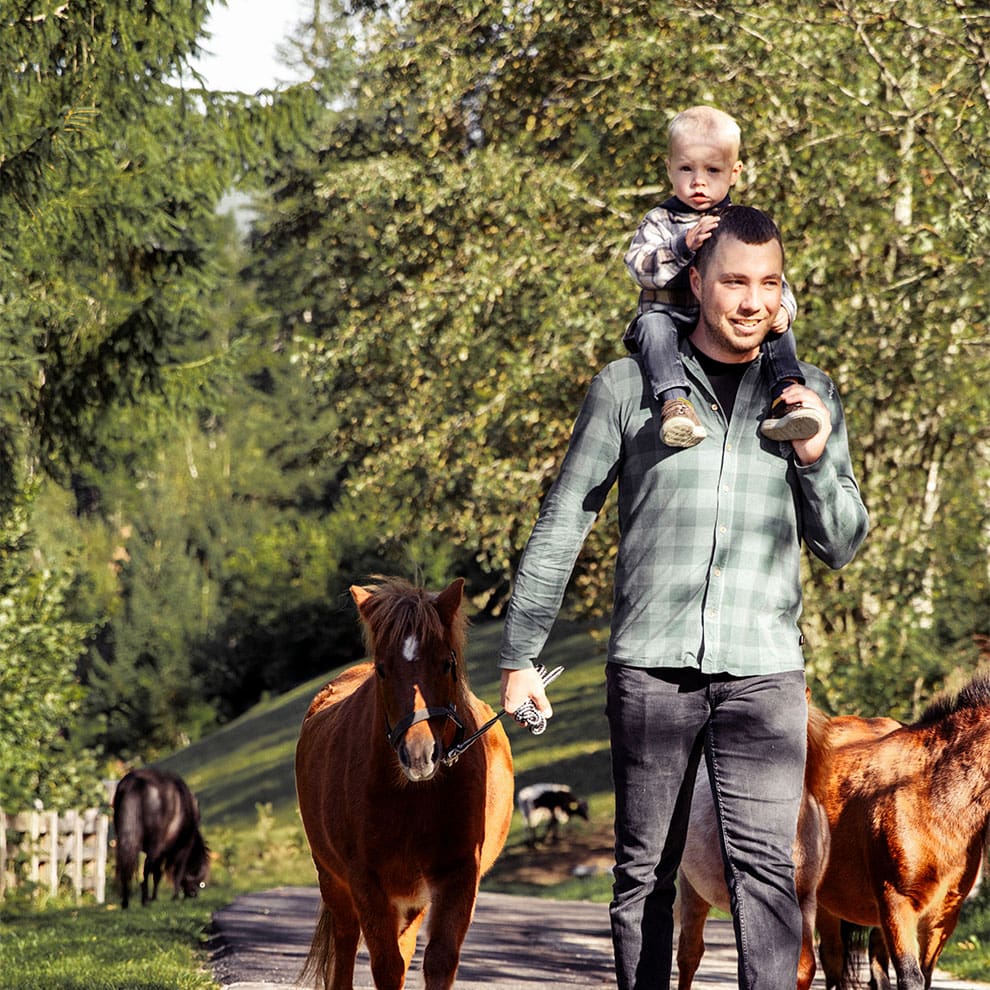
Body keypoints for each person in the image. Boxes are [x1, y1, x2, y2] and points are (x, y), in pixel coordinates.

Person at [499, 206, 869, 990]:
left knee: (768, 875)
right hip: (652, 670)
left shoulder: (811, 396)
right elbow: (566, 517)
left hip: (765, 674)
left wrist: (811, 453)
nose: (751, 301)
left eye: (768, 284)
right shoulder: (629, 388)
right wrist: (522, 655)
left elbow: (840, 542)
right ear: (696, 283)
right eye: (734, 281)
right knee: (643, 876)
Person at [624, 105, 825, 447]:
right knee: (651, 326)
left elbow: (768, 277)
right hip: (670, 316)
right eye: (686, 168)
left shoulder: (738, 222)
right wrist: (681, 245)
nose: (698, 181)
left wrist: (784, 309)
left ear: (734, 172)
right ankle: (675, 403)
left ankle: (786, 396)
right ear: (669, 169)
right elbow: (639, 268)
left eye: (712, 170)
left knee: (771, 318)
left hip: (725, 324)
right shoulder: (660, 220)